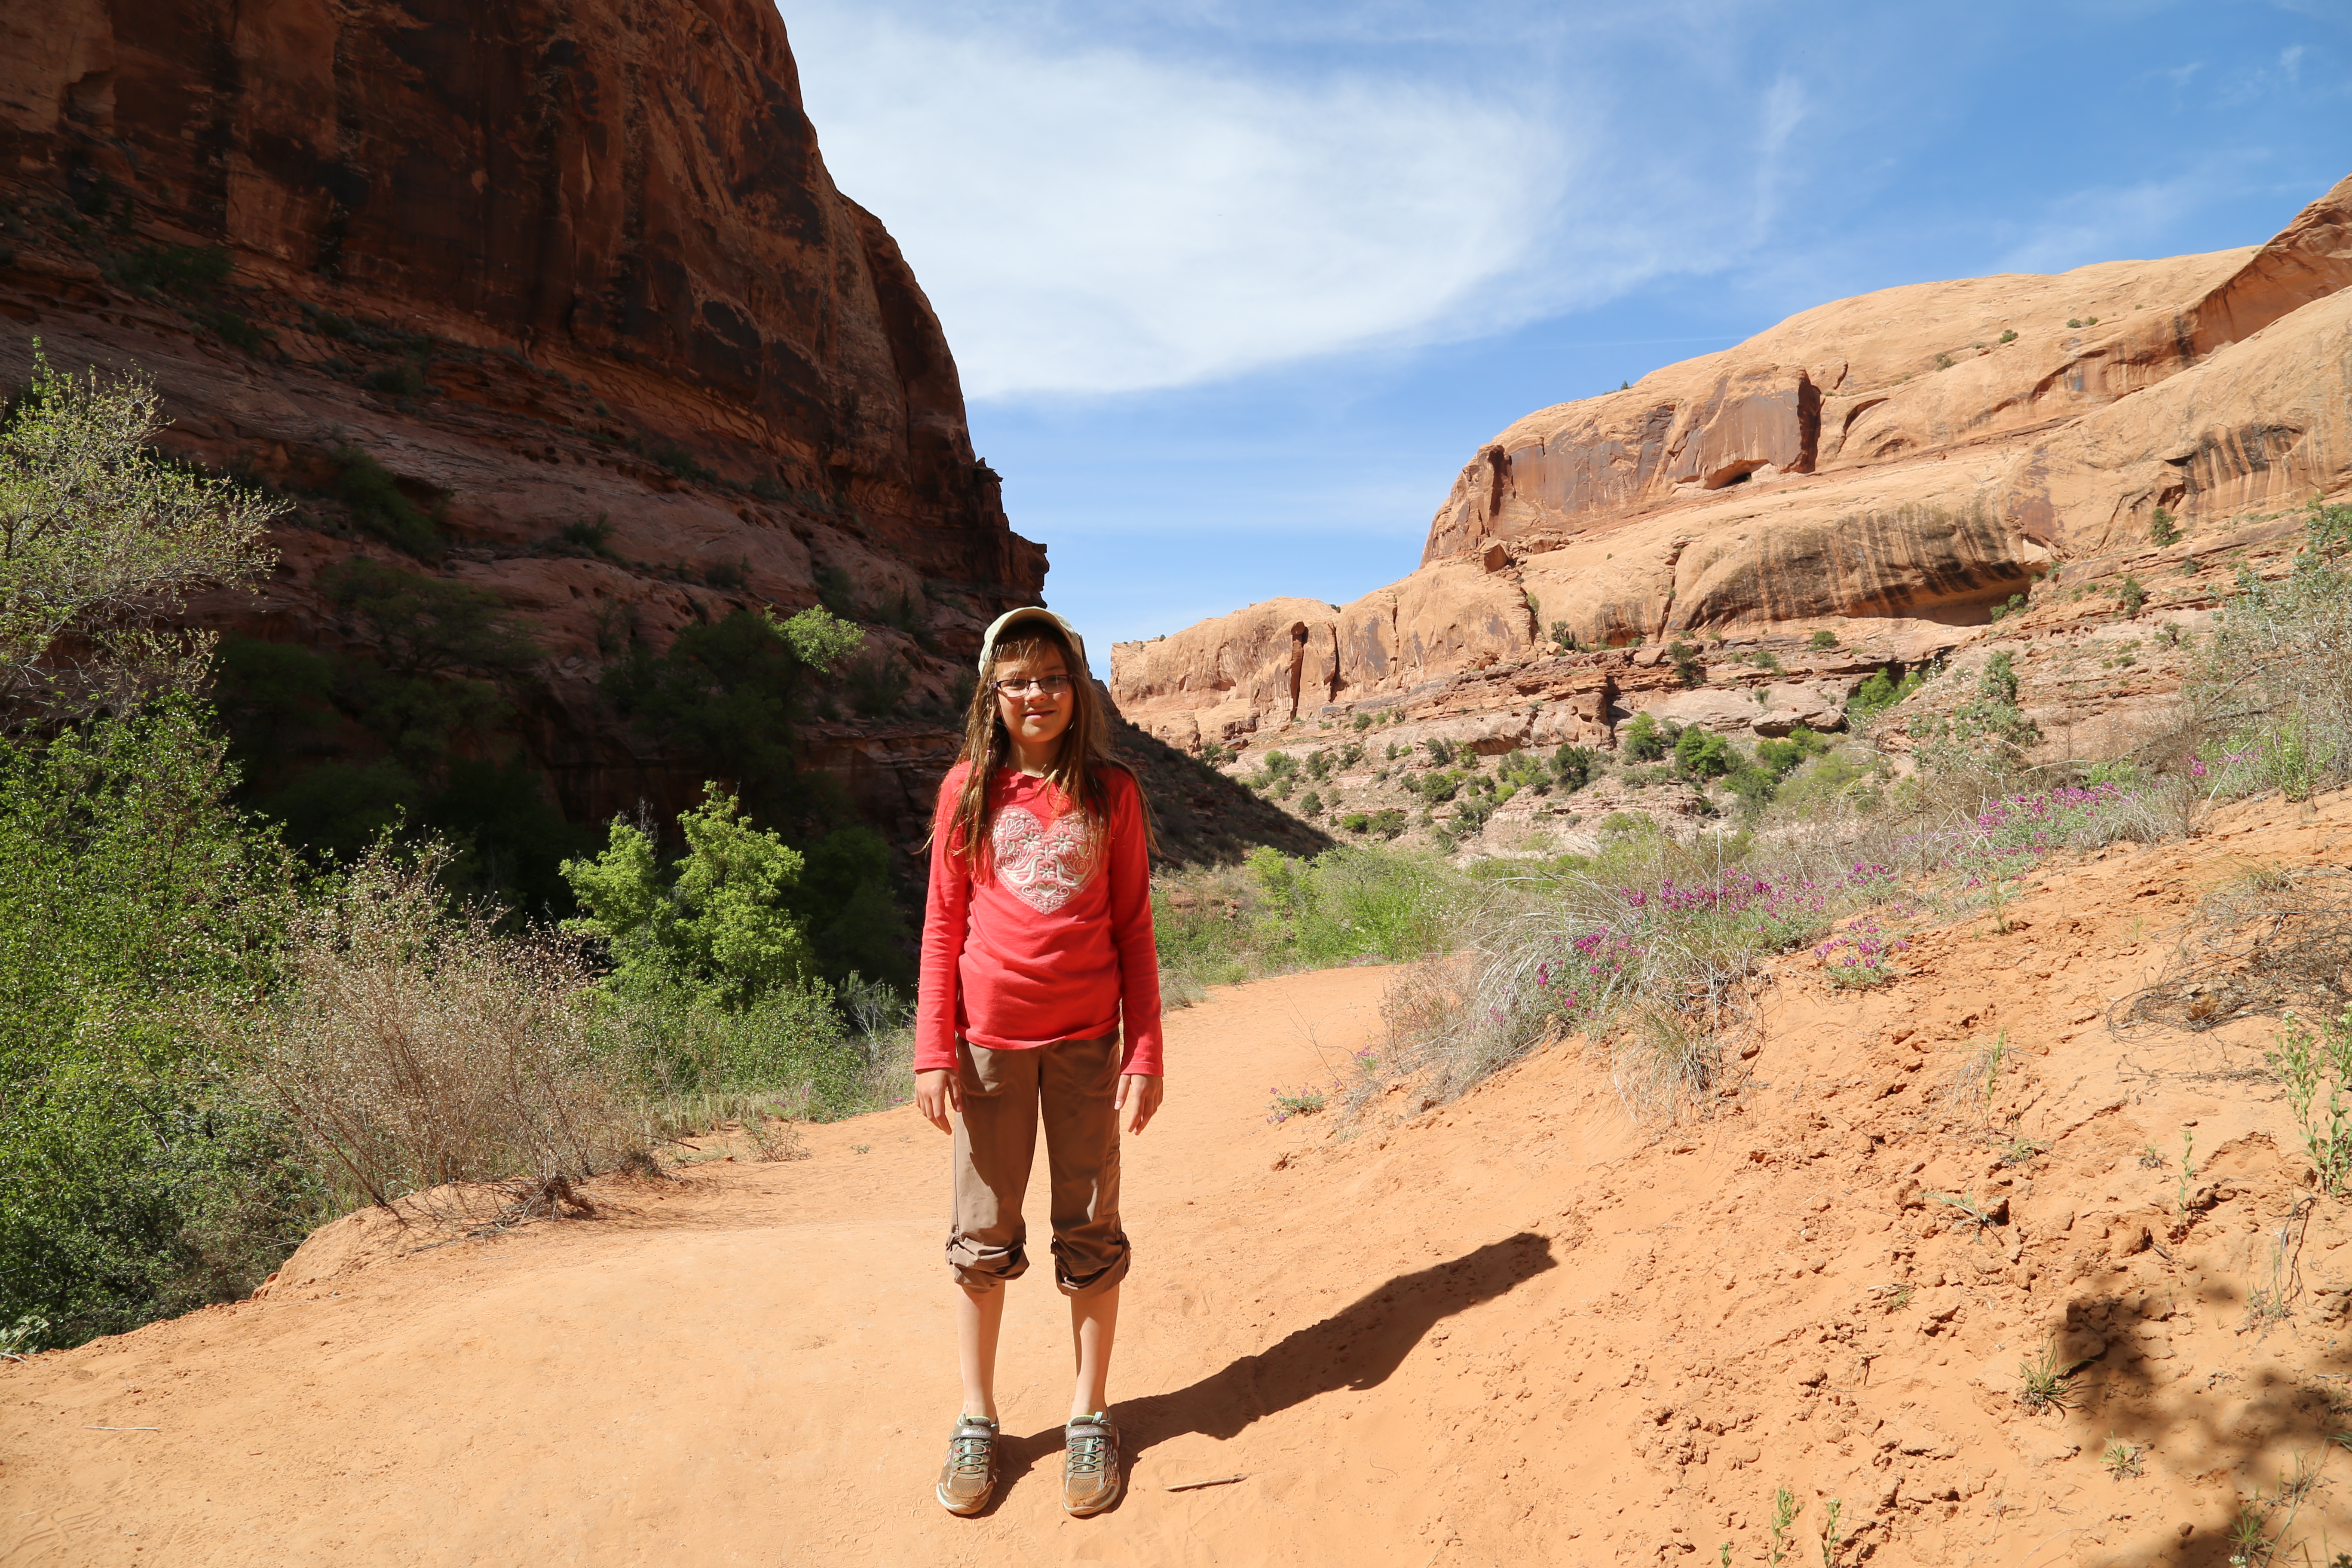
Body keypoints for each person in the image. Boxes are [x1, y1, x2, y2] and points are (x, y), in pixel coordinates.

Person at [913, 606, 1165, 1519]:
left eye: (1051, 678)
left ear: (1077, 689)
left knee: (1091, 1231)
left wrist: (1146, 1049)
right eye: (1017, 679)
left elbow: (1133, 926)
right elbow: (944, 923)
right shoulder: (966, 792)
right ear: (993, 693)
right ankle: (977, 1419)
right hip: (985, 1051)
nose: (1036, 695)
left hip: (1090, 1046)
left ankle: (1089, 1413)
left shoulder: (1114, 793)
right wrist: (931, 1048)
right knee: (982, 1238)